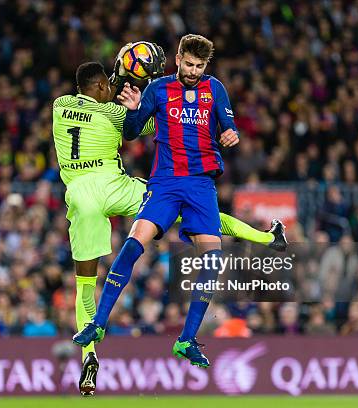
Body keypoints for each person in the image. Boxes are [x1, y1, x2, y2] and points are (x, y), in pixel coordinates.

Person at [54, 45, 286, 394]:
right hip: (116, 187)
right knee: (189, 216)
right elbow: (154, 119)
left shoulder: (61, 106)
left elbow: (100, 102)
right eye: (107, 85)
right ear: (101, 88)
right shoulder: (114, 115)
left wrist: (122, 84)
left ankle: (90, 353)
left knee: (84, 285)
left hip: (79, 195)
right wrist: (141, 90)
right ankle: (267, 238)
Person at [73, 34, 252, 369]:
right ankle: (97, 324)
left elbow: (229, 126)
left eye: (199, 66)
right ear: (179, 58)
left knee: (212, 261)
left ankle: (186, 339)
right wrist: (132, 109)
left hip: (201, 185)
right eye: (188, 64)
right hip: (166, 182)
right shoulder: (157, 89)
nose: (193, 71)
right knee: (132, 245)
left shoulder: (215, 89)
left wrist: (231, 134)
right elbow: (131, 131)